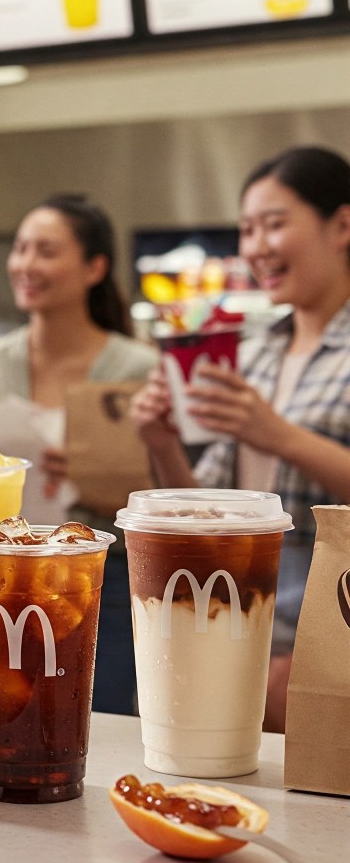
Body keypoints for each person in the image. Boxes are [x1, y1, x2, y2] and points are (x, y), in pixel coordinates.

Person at [130, 145, 350, 732]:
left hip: (326, 632)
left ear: (342, 226)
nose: (256, 247)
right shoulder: (252, 354)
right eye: (247, 229)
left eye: (274, 224)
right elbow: (206, 511)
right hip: (231, 621)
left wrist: (279, 436)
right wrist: (162, 442)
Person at [0, 194, 158, 715]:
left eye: (46, 251)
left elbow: (159, 491)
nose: (25, 264)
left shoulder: (137, 367)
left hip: (101, 580)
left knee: (90, 715)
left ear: (95, 267)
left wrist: (95, 477)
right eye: (20, 248)